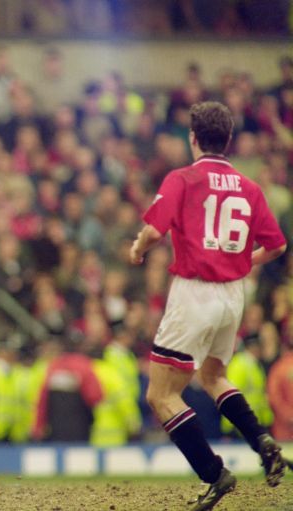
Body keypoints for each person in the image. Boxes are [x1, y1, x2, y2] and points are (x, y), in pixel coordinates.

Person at [130, 101, 288, 511]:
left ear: (193, 138)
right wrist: (242, 261)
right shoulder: (250, 188)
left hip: (195, 291)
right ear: (230, 140)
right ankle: (263, 441)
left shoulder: (184, 178)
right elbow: (277, 245)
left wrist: (137, 249)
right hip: (232, 297)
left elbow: (153, 229)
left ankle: (214, 474)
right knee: (214, 376)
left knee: (161, 396)